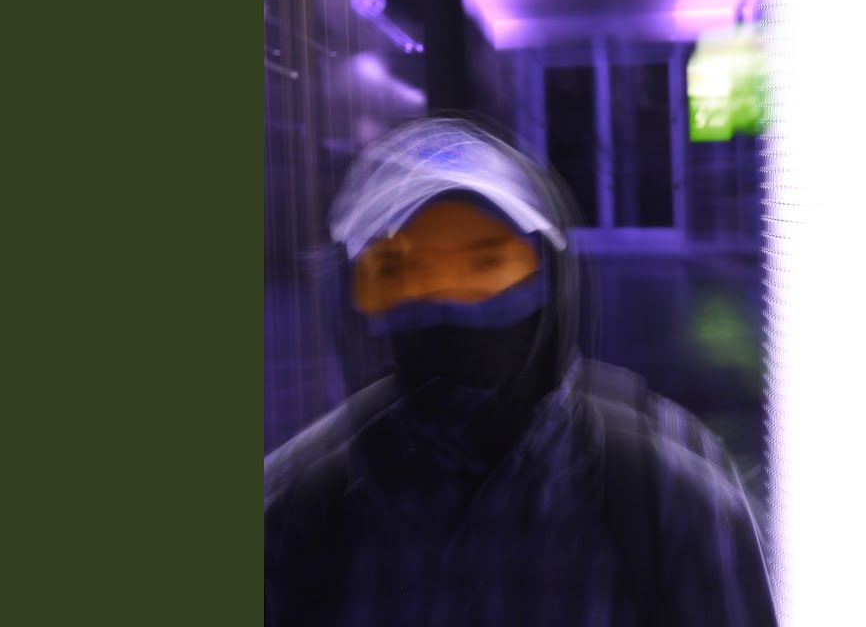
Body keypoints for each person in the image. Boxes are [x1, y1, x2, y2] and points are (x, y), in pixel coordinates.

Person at [264, 118, 778, 626]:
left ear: (550, 277)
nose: (450, 300)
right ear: (356, 300)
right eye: (404, 271)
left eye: (486, 265)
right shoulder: (297, 507)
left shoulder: (669, 503)